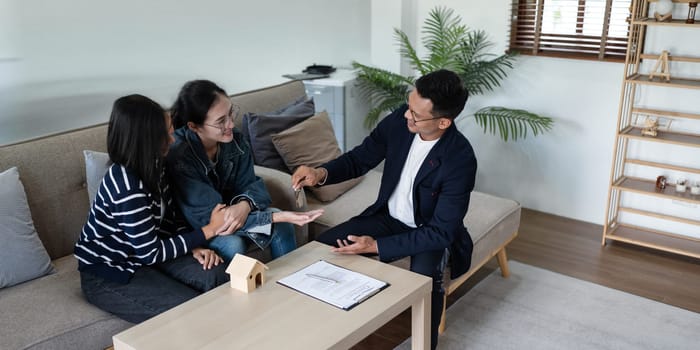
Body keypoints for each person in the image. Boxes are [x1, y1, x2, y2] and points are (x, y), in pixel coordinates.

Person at [291, 69, 476, 349]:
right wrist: (320, 173)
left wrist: (377, 246)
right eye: (408, 105)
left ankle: (426, 344)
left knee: (426, 282)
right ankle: (320, 332)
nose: (406, 115)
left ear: (443, 121)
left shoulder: (460, 159)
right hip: (387, 218)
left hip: (428, 233)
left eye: (415, 114)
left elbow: (441, 231)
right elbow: (360, 159)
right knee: (320, 251)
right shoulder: (401, 121)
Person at [74, 94, 234, 323]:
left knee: (218, 273)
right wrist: (209, 230)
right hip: (111, 270)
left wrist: (192, 246)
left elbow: (169, 218)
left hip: (146, 254)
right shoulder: (126, 183)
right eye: (166, 133)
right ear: (145, 139)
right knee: (190, 313)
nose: (172, 138)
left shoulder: (155, 164)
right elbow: (150, 252)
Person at [167, 79, 323, 263]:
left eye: (231, 114)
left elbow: (253, 185)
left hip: (235, 213)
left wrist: (244, 206)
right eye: (221, 121)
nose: (231, 124)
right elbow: (211, 220)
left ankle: (291, 282)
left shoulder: (236, 141)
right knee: (233, 244)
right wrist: (277, 216)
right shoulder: (180, 156)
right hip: (199, 228)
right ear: (194, 126)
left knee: (283, 227)